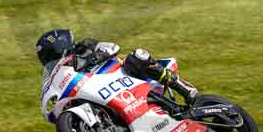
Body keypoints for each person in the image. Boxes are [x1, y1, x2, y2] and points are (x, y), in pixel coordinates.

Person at [36, 29, 198, 103]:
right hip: (101, 92)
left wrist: (94, 57)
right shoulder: (61, 72)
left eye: (47, 55)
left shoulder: (85, 46)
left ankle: (182, 86)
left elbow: (113, 47)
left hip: (123, 75)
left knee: (137, 56)